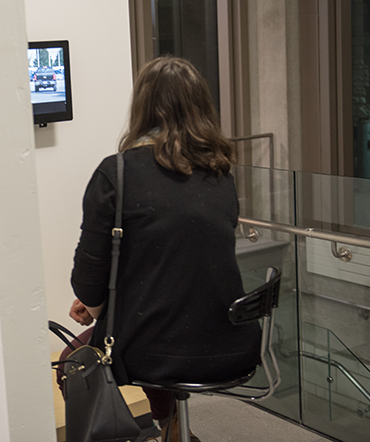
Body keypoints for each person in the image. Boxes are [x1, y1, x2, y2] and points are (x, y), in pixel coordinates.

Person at [63, 56, 261, 441]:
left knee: (72, 364)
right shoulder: (221, 173)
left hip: (153, 347)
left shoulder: (116, 172)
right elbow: (189, 259)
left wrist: (93, 303)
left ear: (141, 106)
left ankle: (163, 427)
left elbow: (88, 280)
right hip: (230, 341)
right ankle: (172, 429)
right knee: (161, 325)